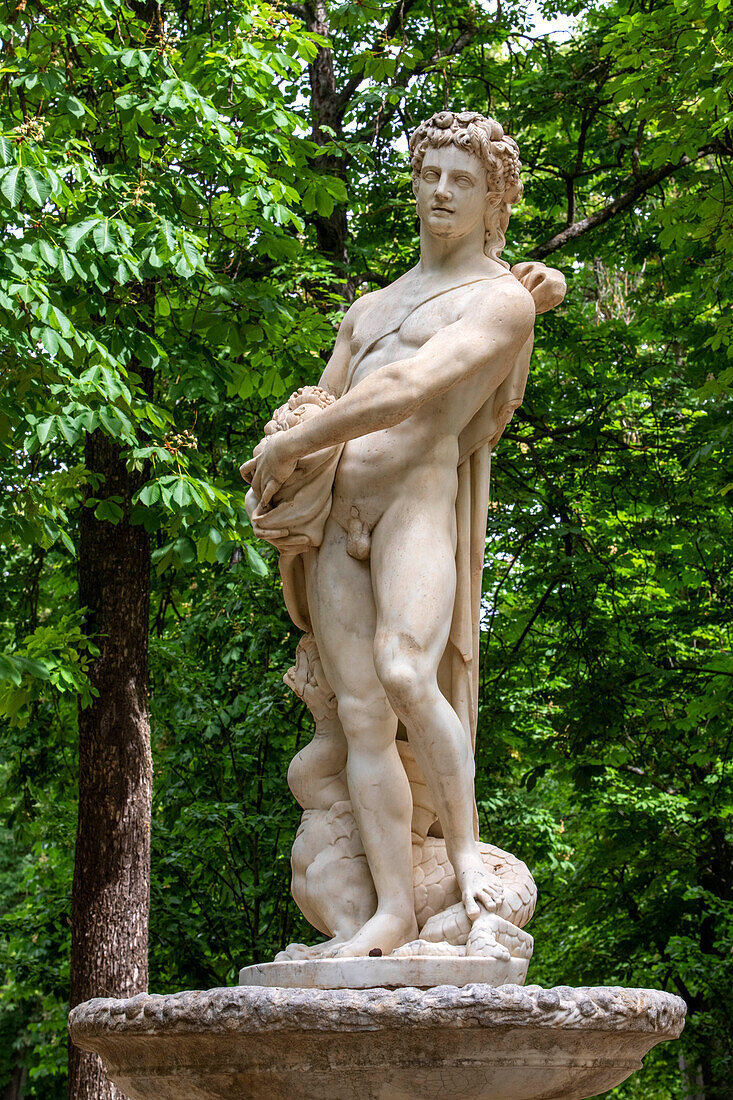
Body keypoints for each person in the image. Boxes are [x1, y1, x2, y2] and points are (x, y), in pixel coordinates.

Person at [241, 110, 565, 959]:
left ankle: (461, 854)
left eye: (464, 180)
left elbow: (412, 389)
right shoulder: (369, 308)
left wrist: (292, 441)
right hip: (338, 517)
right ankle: (389, 910)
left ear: (495, 199)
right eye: (430, 175)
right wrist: (288, 449)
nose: (442, 192)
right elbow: (323, 402)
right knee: (359, 713)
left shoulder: (501, 301)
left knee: (402, 671)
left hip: (415, 504)